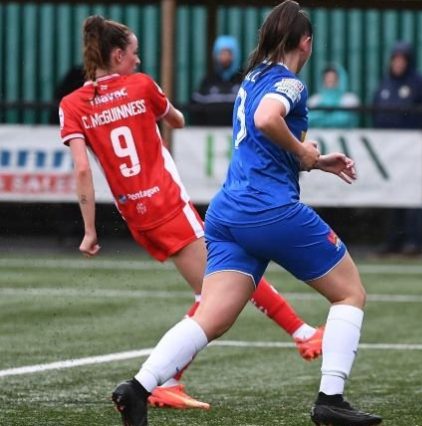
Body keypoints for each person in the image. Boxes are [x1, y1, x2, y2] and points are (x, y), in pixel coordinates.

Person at [111, 2, 382, 425]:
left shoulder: (252, 76)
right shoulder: (290, 82)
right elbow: (266, 118)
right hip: (269, 210)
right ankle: (331, 399)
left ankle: (139, 387)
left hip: (227, 214)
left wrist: (313, 161)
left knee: (211, 317)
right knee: (350, 293)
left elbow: (261, 134)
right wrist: (302, 150)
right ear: (306, 43)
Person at [58, 14, 324, 412]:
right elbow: (177, 120)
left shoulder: (73, 104)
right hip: (167, 204)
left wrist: (90, 230)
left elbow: (82, 168)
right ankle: (301, 332)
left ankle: (172, 380)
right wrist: (147, 111)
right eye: (133, 54)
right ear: (116, 55)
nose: (138, 61)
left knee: (211, 291)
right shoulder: (141, 86)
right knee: (224, 286)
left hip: (136, 216)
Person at [372, 41, 422, 256]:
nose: (397, 63)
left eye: (402, 59)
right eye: (395, 59)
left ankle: (413, 241)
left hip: (412, 152)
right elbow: (375, 111)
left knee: (412, 197)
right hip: (389, 151)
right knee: (392, 196)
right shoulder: (385, 83)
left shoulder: (419, 83)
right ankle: (393, 240)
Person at [190, 35, 243, 126]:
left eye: (228, 53)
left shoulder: (243, 80)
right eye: (221, 53)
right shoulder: (207, 81)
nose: (224, 57)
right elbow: (196, 110)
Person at [307, 63, 359, 128]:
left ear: (341, 79)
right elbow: (309, 119)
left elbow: (346, 119)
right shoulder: (314, 99)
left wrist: (321, 115)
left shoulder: (350, 99)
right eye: (327, 78)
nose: (330, 80)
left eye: (334, 78)